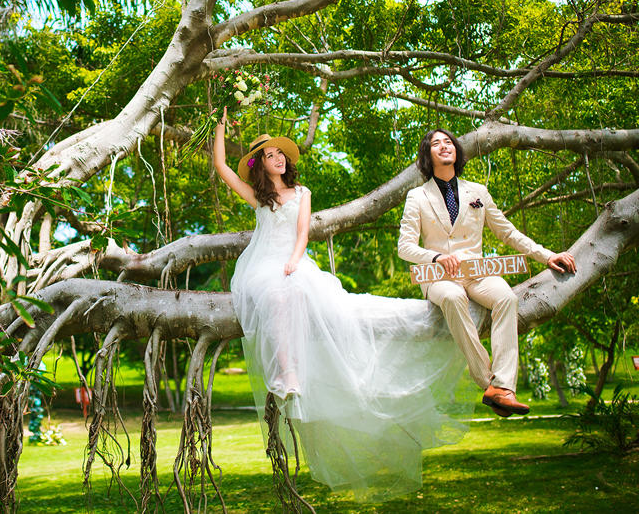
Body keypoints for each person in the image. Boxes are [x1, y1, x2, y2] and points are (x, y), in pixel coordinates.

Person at [213, 110, 468, 501]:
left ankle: (299, 375)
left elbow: (302, 233)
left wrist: (296, 260)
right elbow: (221, 168)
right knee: (276, 294)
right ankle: (286, 376)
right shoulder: (259, 198)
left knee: (311, 295)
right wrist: (220, 121)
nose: (279, 158)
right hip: (261, 264)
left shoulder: (302, 194)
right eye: (270, 156)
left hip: (293, 260)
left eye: (281, 153)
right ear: (260, 165)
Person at [397, 128, 577, 417]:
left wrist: (547, 255)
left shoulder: (478, 192)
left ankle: (505, 386)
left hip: (477, 272)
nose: (444, 146)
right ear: (427, 155)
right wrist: (437, 257)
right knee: (454, 298)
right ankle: (488, 382)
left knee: (506, 297)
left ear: (456, 150)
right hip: (438, 277)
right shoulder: (416, 196)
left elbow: (508, 232)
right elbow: (405, 247)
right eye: (436, 143)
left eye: (448, 142)